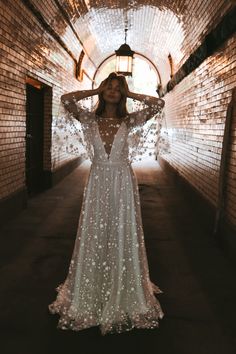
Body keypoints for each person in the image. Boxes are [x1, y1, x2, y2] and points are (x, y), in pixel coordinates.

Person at [48, 72, 165, 336]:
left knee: (122, 230)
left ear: (122, 93)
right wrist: (95, 91)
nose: (112, 91)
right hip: (99, 181)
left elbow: (158, 105)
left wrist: (130, 93)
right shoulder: (90, 119)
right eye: (109, 87)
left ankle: (124, 285)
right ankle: (92, 284)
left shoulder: (129, 120)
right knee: (96, 232)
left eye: (117, 88)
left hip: (123, 182)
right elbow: (67, 99)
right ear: (102, 90)